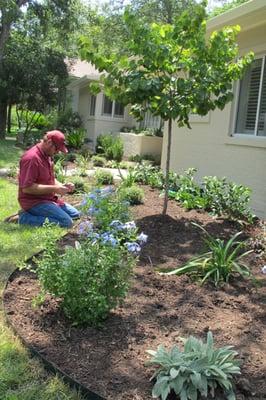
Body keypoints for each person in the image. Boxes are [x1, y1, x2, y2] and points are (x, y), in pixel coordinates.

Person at [18, 130, 80, 228]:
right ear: (49, 142)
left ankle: (34, 215)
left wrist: (62, 186)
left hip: (47, 199)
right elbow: (27, 188)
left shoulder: (47, 155)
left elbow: (50, 179)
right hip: (34, 202)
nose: (57, 152)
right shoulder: (32, 159)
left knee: (75, 214)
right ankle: (23, 218)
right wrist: (54, 189)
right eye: (57, 149)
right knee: (66, 223)